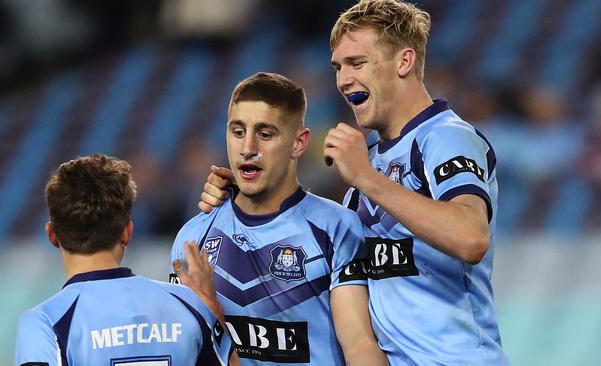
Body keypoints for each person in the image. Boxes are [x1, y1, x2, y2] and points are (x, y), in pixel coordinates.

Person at [200, 1, 510, 365]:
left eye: (357, 63)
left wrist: (366, 177)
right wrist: (247, 199)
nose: (343, 80)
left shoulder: (443, 138)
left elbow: (470, 237)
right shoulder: (371, 162)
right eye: (338, 67)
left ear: (404, 62)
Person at [170, 72, 388, 366]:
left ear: (299, 143)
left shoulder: (335, 228)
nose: (247, 148)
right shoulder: (194, 238)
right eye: (237, 132)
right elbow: (186, 350)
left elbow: (360, 345)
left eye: (265, 134)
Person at [14, 154, 234, 366]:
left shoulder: (45, 323)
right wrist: (213, 312)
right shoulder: (191, 305)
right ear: (127, 232)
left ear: (52, 235)